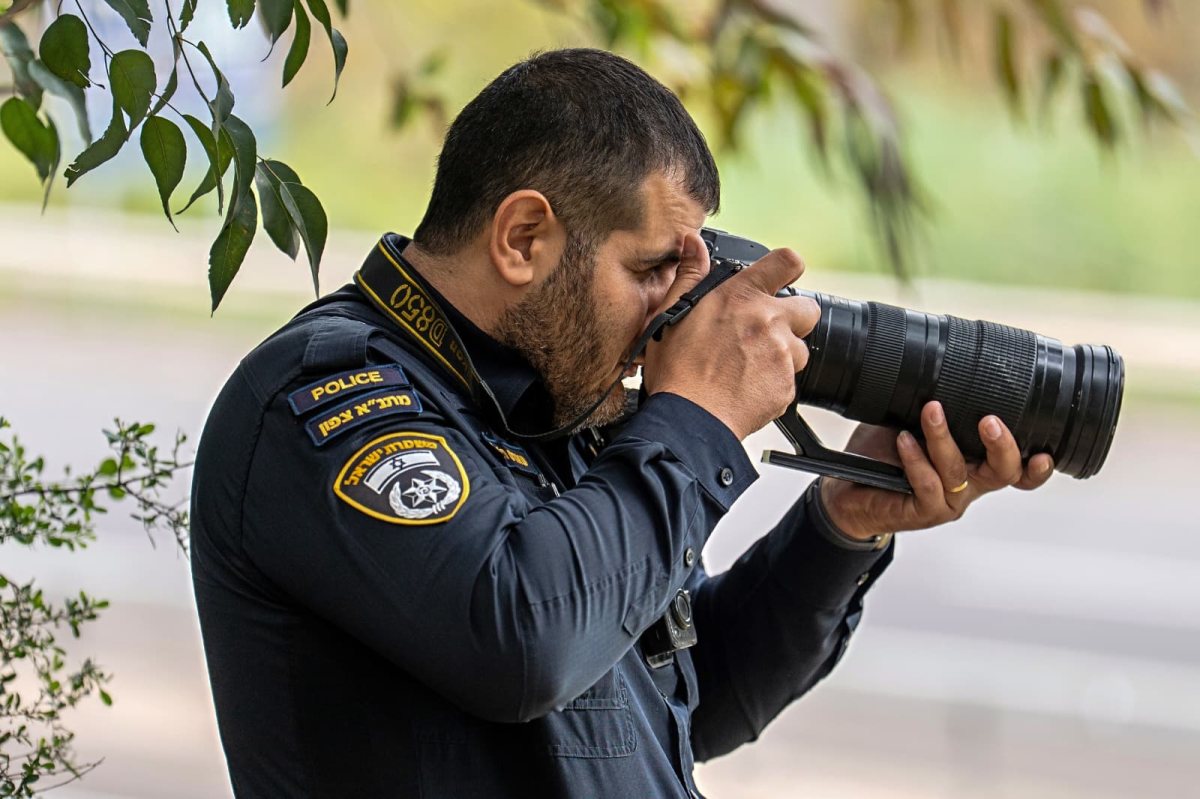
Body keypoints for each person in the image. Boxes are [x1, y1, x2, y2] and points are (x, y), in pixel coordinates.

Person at [190, 48, 1054, 798]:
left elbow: (689, 694)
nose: (671, 312)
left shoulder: (556, 395)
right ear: (523, 237)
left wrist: (840, 524)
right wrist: (697, 417)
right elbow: (522, 637)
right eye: (649, 270)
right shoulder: (329, 395)